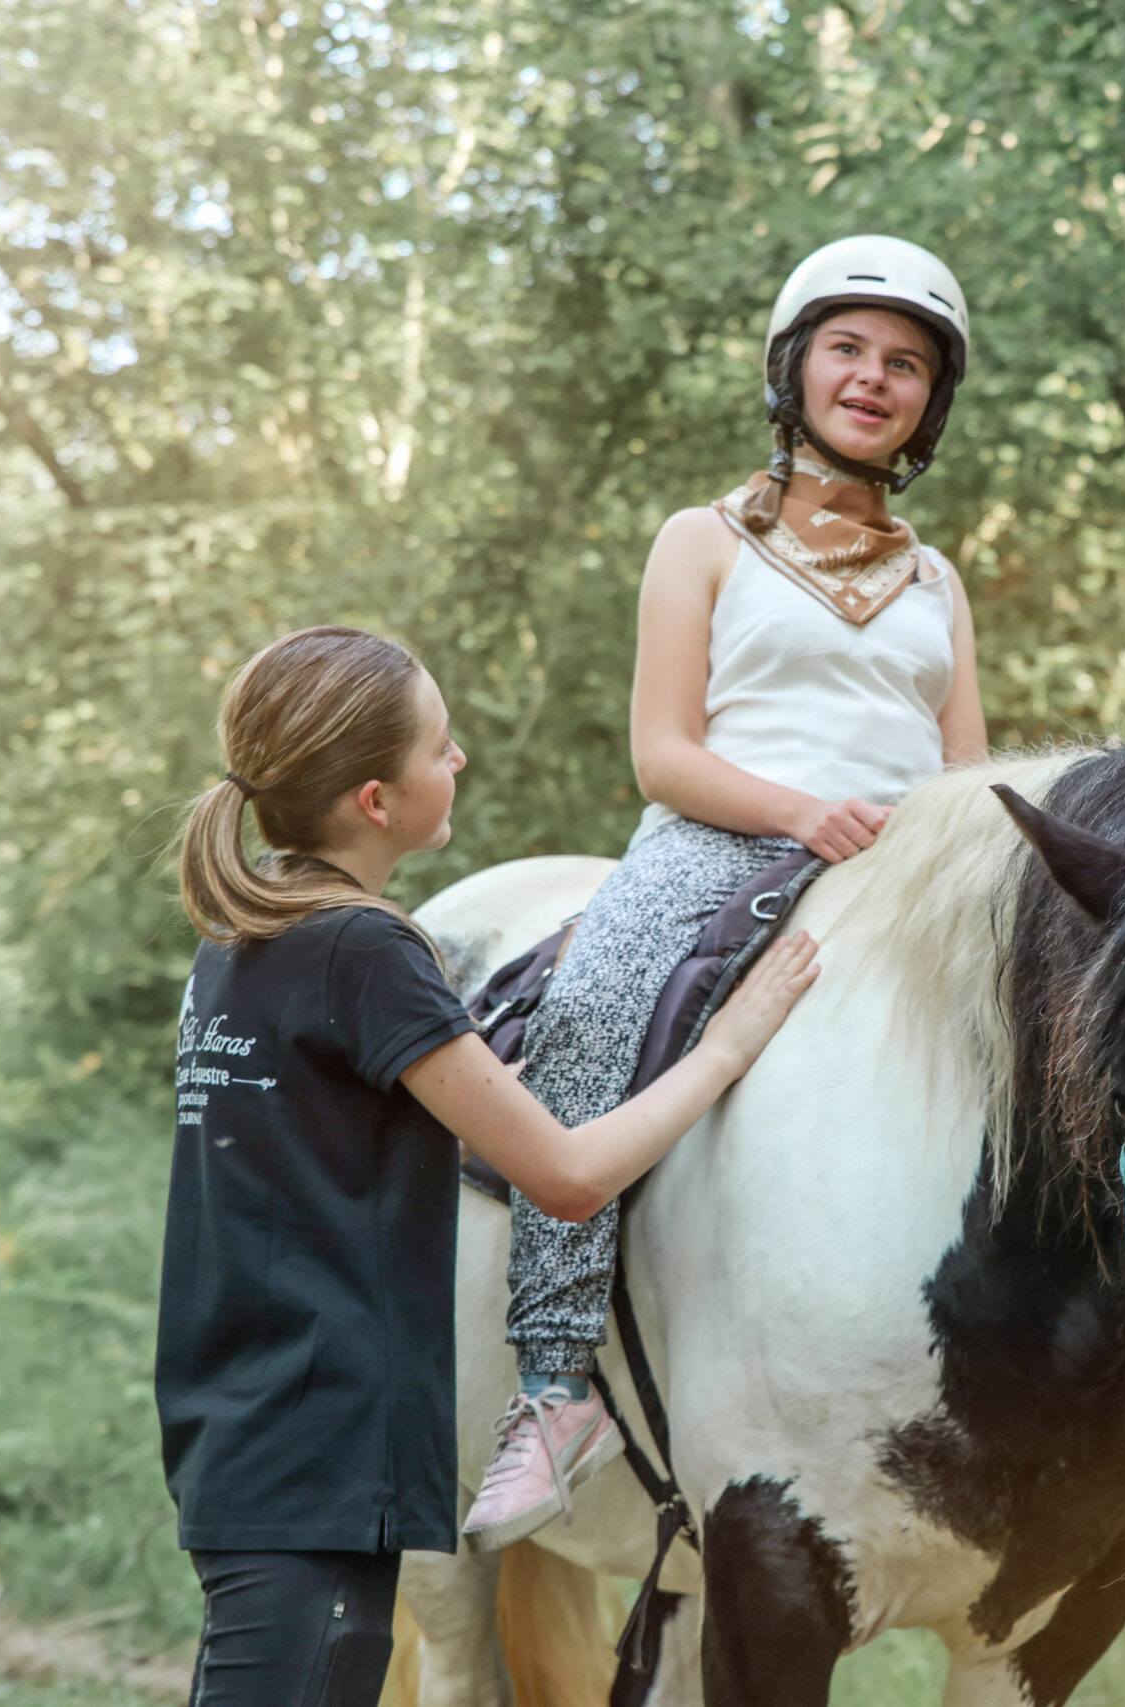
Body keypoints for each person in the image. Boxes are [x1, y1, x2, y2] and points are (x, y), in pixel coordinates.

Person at [157, 625, 818, 1705]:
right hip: (328, 1454)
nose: (456, 762)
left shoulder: (244, 934)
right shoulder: (365, 952)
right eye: (440, 746)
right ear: (376, 802)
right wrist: (728, 1050)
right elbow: (562, 1176)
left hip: (244, 1434)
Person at [464, 235, 988, 1548]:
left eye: (907, 362)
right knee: (590, 996)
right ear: (795, 364)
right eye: (850, 348)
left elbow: (968, 771)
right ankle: (553, 1378)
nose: (875, 378)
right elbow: (665, 749)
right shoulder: (702, 540)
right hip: (716, 846)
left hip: (904, 876)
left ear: (932, 397)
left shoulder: (939, 580)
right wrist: (801, 808)